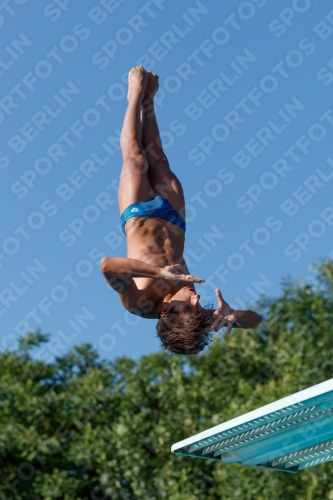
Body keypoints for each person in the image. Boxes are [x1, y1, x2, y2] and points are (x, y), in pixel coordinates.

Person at [100, 66, 262, 355]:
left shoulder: (140, 304)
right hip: (174, 218)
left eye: (188, 307)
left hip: (138, 213)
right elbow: (256, 321)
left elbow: (108, 266)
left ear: (165, 311)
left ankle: (135, 94)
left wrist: (160, 272)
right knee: (159, 159)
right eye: (197, 309)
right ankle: (150, 101)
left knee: (136, 158)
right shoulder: (197, 315)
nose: (197, 301)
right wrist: (235, 314)